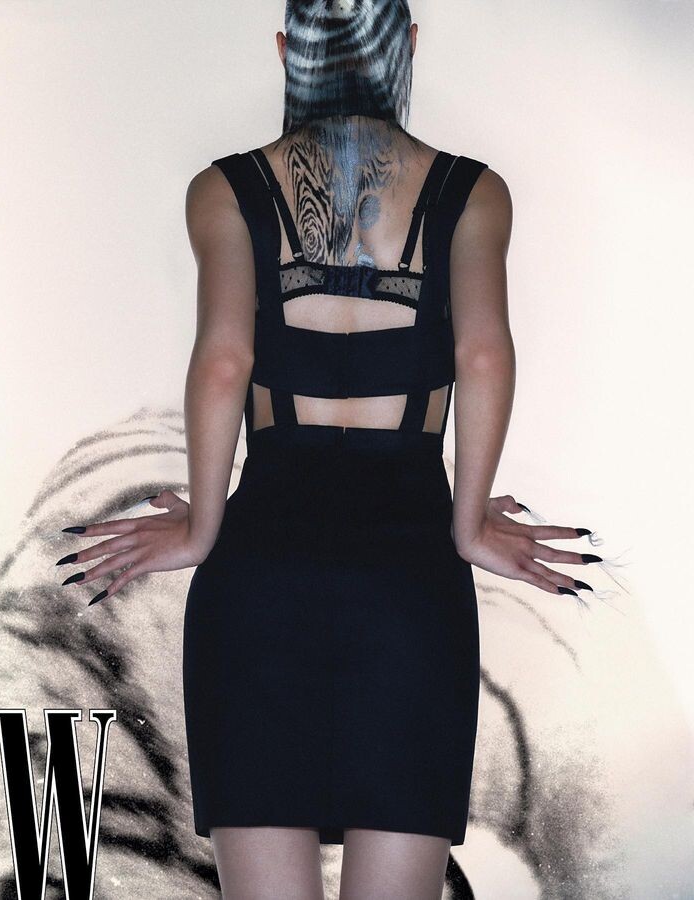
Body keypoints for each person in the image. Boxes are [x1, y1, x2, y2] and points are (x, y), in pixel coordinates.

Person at [58, 1, 600, 896]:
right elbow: (482, 354)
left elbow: (224, 360)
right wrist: (468, 523)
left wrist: (201, 526)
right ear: (407, 47)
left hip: (262, 571)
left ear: (288, 51)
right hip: (409, 576)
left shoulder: (224, 190)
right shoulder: (473, 193)